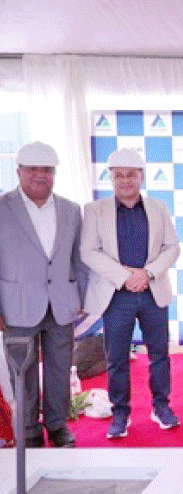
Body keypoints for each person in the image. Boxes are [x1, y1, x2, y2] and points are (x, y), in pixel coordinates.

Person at [81, 148, 181, 439]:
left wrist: (147, 273)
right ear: (111, 177)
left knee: (159, 355)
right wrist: (126, 277)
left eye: (131, 175)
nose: (126, 180)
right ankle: (120, 413)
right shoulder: (95, 210)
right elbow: (88, 251)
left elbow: (172, 247)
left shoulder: (158, 207)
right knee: (116, 358)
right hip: (116, 294)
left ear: (141, 177)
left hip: (152, 291)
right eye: (119, 175)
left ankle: (161, 407)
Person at [0, 141, 87, 447]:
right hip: (16, 306)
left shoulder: (71, 210)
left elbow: (79, 258)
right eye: (33, 169)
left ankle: (57, 425)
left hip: (62, 304)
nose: (40, 175)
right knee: (21, 371)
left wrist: (82, 298)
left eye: (47, 170)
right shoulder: (2, 207)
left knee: (60, 368)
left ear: (54, 173)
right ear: (19, 172)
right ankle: (28, 429)